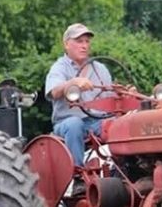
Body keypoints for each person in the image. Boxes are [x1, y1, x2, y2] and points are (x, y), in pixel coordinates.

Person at [45, 23, 114, 167]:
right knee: (74, 124)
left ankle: (124, 169)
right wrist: (73, 83)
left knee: (118, 123)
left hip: (96, 121)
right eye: (79, 41)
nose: (84, 46)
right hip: (66, 122)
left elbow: (111, 100)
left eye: (87, 41)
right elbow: (54, 91)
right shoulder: (59, 68)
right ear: (66, 44)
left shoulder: (100, 69)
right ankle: (78, 174)